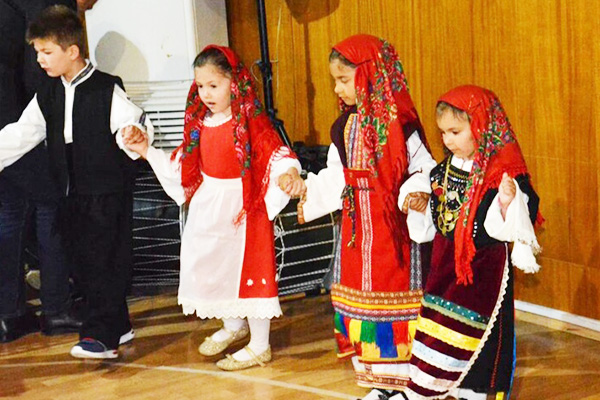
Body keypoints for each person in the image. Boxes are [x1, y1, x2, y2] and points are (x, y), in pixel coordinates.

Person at [123, 45, 304, 371]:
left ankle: (260, 345)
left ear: (234, 82)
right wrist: (147, 150)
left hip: (244, 207)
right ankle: (233, 325)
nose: (205, 93)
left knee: (249, 272)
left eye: (214, 85)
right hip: (209, 207)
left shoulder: (250, 122)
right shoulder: (199, 124)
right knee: (215, 266)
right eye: (200, 86)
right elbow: (183, 165)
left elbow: (276, 153)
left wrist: (288, 174)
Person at [0, 5, 153, 358]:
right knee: (84, 262)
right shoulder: (48, 93)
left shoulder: (105, 88)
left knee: (104, 262)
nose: (39, 60)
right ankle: (119, 325)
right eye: (37, 52)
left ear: (72, 51)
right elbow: (23, 134)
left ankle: (100, 337)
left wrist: (133, 135)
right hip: (72, 193)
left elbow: (133, 122)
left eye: (46, 52)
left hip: (106, 192)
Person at [297, 34, 436, 399]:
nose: (337, 88)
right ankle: (378, 383)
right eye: (335, 80)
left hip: (392, 230)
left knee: (397, 305)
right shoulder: (343, 126)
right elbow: (336, 175)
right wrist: (307, 191)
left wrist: (416, 191)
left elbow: (425, 168)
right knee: (362, 306)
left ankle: (405, 385)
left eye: (344, 80)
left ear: (370, 75)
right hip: (358, 232)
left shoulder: (401, 125)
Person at [397, 85, 542, 400]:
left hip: (483, 272)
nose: (448, 140)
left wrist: (507, 202)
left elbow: (517, 218)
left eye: (455, 132)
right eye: (443, 133)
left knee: (479, 337)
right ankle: (429, 385)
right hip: (444, 266)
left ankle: (473, 391)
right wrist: (422, 204)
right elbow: (438, 217)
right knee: (439, 325)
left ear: (481, 127)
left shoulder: (501, 174)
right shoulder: (441, 172)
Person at [0, 0, 95, 343]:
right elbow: (39, 73)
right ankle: (57, 308)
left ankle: (9, 314)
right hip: (14, 122)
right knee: (52, 205)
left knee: (10, 211)